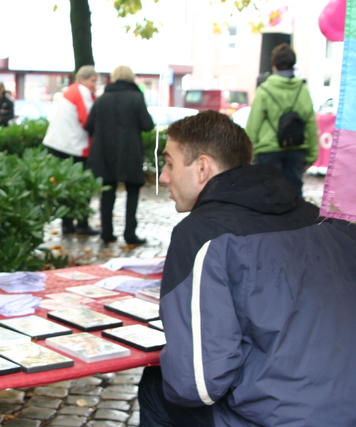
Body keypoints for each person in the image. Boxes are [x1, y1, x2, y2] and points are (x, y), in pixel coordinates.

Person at [137, 110, 320, 426]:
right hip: (338, 398)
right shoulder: (315, 216)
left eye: (168, 163)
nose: (163, 176)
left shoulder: (198, 234)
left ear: (202, 168)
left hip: (270, 414)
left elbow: (196, 385)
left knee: (156, 385)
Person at [157, 219, 356, 426]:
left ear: (201, 182)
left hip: (277, 415)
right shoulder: (330, 225)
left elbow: (197, 388)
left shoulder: (201, 233)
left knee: (155, 391)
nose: (163, 183)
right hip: (344, 403)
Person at [86, 65, 155, 245]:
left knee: (107, 194)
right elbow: (148, 125)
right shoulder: (136, 97)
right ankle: (130, 234)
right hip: (129, 153)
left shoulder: (102, 99)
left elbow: (88, 125)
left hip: (104, 153)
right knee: (132, 193)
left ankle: (106, 232)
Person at [245, 43, 318, 195]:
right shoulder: (302, 90)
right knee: (294, 196)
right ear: (293, 64)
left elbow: (253, 125)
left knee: (269, 196)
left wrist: (247, 155)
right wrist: (311, 156)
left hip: (268, 151)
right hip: (297, 150)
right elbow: (310, 123)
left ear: (274, 65)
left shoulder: (265, 90)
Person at [43, 64, 99, 236]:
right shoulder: (81, 91)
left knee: (66, 186)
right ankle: (81, 222)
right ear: (82, 79)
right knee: (82, 187)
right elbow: (88, 120)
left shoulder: (72, 91)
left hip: (60, 144)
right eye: (93, 80)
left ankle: (67, 223)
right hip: (73, 147)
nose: (95, 84)